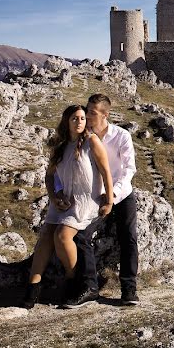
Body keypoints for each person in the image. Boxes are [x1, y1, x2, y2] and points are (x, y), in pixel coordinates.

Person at [22, 104, 113, 309]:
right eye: (75, 118)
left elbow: (106, 172)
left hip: (85, 201)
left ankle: (73, 282)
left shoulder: (92, 142)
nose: (79, 122)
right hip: (63, 200)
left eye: (82, 118)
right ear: (67, 121)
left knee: (62, 236)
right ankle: (33, 287)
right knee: (45, 236)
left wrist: (109, 201)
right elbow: (49, 176)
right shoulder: (60, 144)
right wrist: (54, 197)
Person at [70, 93, 139, 306]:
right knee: (81, 236)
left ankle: (129, 290)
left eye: (92, 112)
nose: (87, 116)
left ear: (105, 115)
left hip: (121, 195)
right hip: (93, 198)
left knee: (128, 237)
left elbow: (129, 170)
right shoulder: (83, 137)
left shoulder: (121, 136)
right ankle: (90, 287)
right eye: (87, 110)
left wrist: (112, 196)